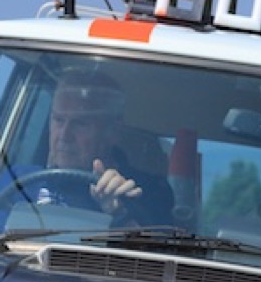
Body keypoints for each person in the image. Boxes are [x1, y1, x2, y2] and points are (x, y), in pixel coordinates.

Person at [42, 71, 174, 224]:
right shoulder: (22, 179)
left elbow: (154, 238)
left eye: (80, 124)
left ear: (112, 131)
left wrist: (118, 212)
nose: (64, 135)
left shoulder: (149, 193)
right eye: (58, 120)